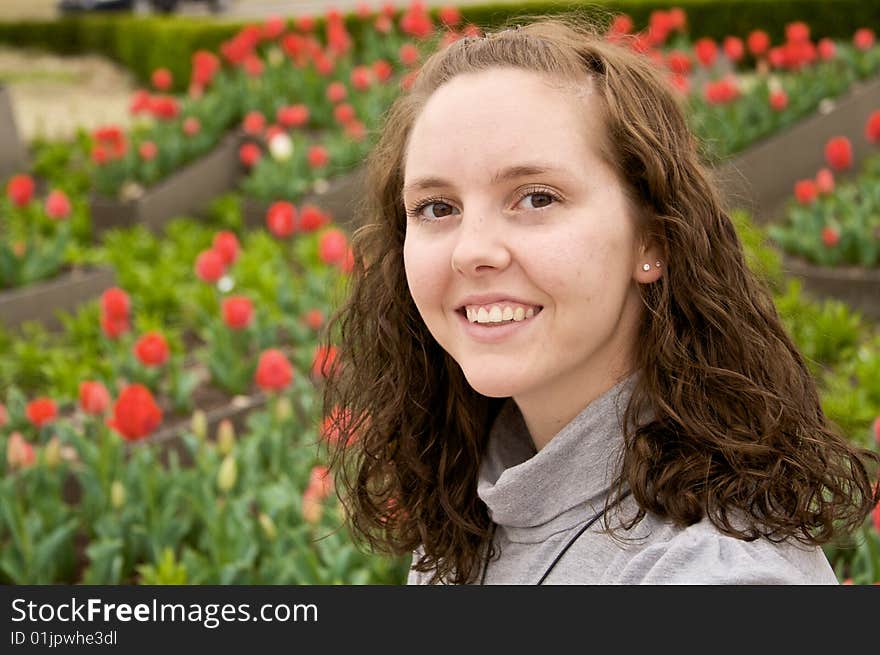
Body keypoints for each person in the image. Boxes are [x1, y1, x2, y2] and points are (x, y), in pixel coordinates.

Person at [319, 11, 880, 584]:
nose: (471, 251)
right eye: (437, 208)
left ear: (653, 238)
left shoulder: (716, 574)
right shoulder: (474, 517)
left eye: (536, 198)